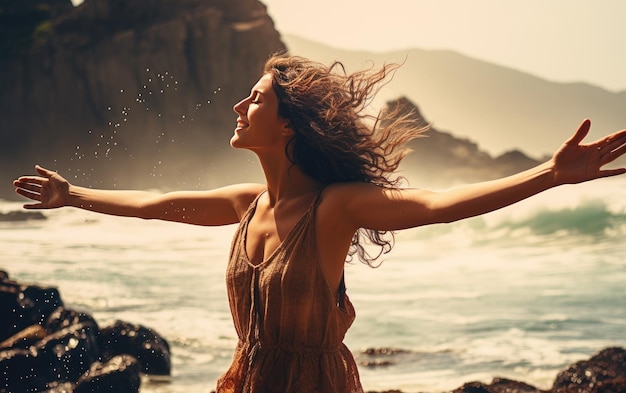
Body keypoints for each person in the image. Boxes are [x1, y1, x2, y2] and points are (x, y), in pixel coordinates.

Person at [13, 53, 626, 393]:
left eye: (254, 99)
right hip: (247, 380)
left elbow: (442, 204)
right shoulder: (245, 204)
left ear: (287, 127)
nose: (239, 104)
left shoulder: (335, 208)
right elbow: (159, 203)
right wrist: (73, 195)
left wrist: (549, 173)